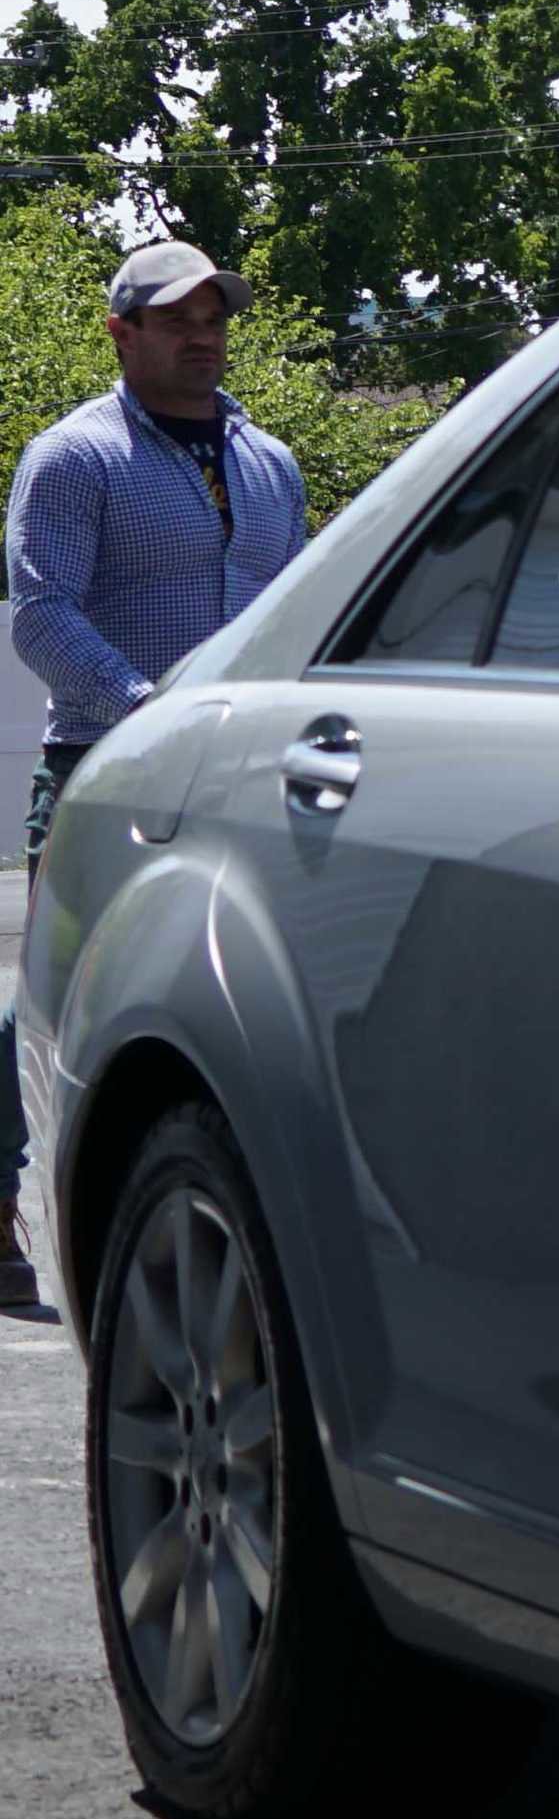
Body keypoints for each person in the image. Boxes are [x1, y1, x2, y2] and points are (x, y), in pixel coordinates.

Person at [1, 239, 315, 1313]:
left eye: (214, 315)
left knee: (236, 984)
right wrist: (150, 712)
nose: (202, 334)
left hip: (245, 773)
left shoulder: (272, 462)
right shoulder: (74, 457)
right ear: (121, 333)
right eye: (176, 318)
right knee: (55, 985)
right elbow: (42, 614)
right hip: (106, 765)